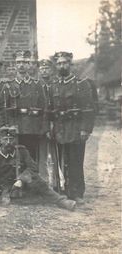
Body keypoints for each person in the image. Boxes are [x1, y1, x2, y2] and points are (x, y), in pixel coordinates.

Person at [0, 126, 76, 211]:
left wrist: (21, 179)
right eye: (5, 139)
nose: (8, 142)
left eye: (11, 139)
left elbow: (33, 168)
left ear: (15, 140)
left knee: (37, 180)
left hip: (24, 183)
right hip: (7, 187)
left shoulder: (22, 151)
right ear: (1, 140)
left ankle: (62, 202)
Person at [49, 51, 97, 204]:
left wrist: (85, 129)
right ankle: (63, 190)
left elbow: (89, 108)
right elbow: (49, 108)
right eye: (59, 63)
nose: (62, 65)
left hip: (75, 127)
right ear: (56, 65)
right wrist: (50, 126)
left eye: (65, 63)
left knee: (75, 160)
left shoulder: (80, 83)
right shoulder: (53, 84)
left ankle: (77, 192)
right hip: (59, 127)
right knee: (61, 160)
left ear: (70, 64)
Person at [0, 50, 48, 162]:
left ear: (29, 64)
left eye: (24, 62)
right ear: (15, 65)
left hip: (32, 128)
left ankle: (32, 179)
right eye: (18, 62)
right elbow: (0, 108)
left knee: (31, 158)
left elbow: (44, 108)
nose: (21, 65)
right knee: (14, 160)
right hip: (13, 128)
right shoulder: (8, 85)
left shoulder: (37, 84)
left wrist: (43, 128)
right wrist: (4, 126)